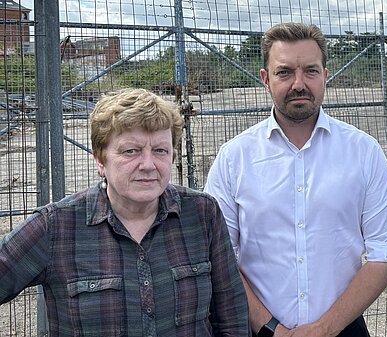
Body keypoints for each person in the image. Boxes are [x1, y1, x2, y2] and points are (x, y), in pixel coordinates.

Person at [204, 23, 387, 337]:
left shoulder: (363, 152)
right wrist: (272, 328)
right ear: (265, 78)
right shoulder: (234, 159)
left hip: (344, 329)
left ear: (326, 76)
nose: (299, 84)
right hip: (257, 330)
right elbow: (218, 256)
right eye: (284, 72)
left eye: (310, 71)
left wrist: (326, 328)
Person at [0, 88, 250, 336]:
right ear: (100, 159)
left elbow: (232, 318)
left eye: (160, 151)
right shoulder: (56, 227)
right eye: (131, 151)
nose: (149, 165)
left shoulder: (202, 214)